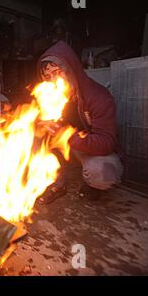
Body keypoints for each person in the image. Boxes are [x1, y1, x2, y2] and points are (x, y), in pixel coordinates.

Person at [35, 41, 123, 204]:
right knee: (29, 140)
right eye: (48, 75)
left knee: (101, 172)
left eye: (58, 72)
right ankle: (55, 183)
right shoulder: (49, 95)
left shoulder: (98, 97)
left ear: (71, 69)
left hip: (90, 149)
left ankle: (93, 185)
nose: (53, 79)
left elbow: (107, 142)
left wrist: (68, 136)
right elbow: (31, 121)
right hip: (64, 147)